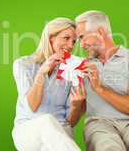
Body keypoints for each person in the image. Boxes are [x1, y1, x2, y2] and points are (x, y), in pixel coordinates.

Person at [75, 10, 129, 151]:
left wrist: (99, 88)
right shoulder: (81, 66)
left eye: (83, 37)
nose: (81, 45)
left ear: (100, 32)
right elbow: (76, 111)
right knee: (108, 147)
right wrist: (76, 103)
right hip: (99, 125)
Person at [12, 17, 86, 151]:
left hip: (61, 132)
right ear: (51, 37)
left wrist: (76, 105)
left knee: (52, 139)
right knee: (47, 120)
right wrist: (41, 73)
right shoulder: (23, 64)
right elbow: (32, 107)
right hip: (28, 132)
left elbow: (71, 122)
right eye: (66, 38)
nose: (70, 45)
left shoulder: (72, 70)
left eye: (74, 41)